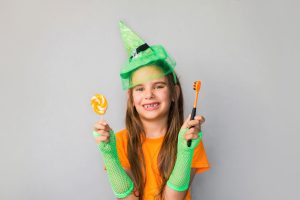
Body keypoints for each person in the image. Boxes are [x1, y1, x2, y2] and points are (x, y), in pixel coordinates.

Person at [92, 21, 210, 200]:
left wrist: (185, 150)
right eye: (140, 89)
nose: (149, 95)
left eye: (159, 86)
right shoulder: (120, 142)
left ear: (174, 93)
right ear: (131, 98)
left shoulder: (190, 140)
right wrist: (109, 155)